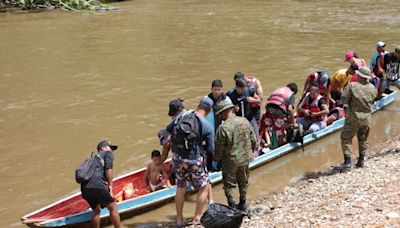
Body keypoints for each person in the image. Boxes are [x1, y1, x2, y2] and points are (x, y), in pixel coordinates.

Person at [164, 99, 215, 226]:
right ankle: (197, 218)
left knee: (181, 187)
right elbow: (210, 149)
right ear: (208, 111)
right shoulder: (205, 124)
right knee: (203, 186)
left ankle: (179, 219)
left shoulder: (179, 119)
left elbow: (168, 130)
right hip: (194, 158)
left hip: (178, 158)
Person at [214, 97, 258, 212]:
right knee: (243, 181)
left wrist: (216, 160)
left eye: (220, 114)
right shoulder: (244, 121)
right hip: (245, 157)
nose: (219, 117)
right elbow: (254, 140)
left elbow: (219, 149)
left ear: (224, 112)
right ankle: (243, 204)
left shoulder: (223, 128)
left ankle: (232, 206)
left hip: (231, 160)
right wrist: (251, 151)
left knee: (229, 185)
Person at [336, 67, 377, 169]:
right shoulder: (372, 88)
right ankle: (361, 160)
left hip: (353, 117)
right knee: (363, 139)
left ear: (359, 75)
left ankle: (347, 162)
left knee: (346, 138)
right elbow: (372, 100)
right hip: (366, 119)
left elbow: (344, 100)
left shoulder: (352, 86)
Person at [81, 140, 121, 228]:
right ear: (103, 148)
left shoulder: (91, 160)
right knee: (113, 207)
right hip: (97, 187)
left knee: (96, 210)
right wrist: (110, 186)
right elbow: (108, 169)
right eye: (110, 148)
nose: (111, 151)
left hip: (85, 190)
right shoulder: (107, 154)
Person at [259, 83, 298, 148]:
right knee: (280, 133)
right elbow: (290, 109)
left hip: (268, 109)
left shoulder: (277, 90)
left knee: (266, 127)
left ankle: (268, 142)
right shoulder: (291, 94)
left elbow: (269, 101)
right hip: (279, 112)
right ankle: (279, 147)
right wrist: (293, 123)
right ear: (294, 91)